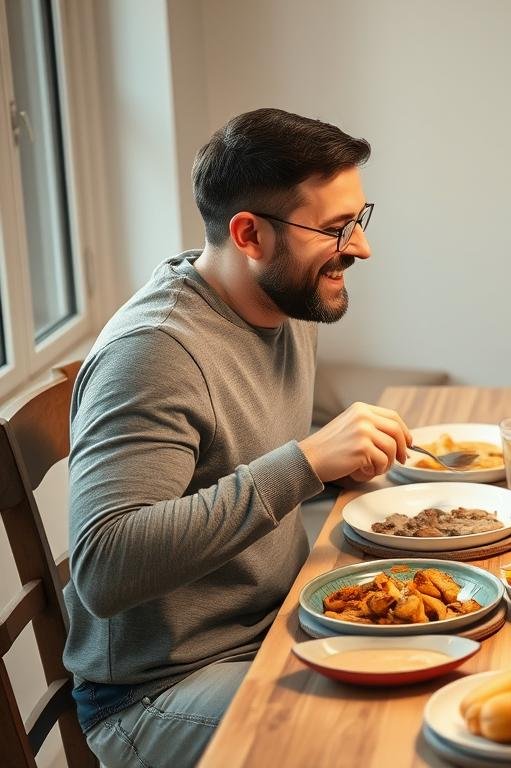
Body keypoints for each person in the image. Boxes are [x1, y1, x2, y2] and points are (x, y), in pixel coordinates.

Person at [63, 108, 414, 767]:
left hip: (277, 623)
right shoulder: (154, 353)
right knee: (381, 743)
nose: (361, 248)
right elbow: (104, 567)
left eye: (360, 220)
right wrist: (305, 462)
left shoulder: (287, 300)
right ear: (249, 234)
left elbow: (235, 457)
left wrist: (334, 465)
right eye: (336, 229)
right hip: (158, 689)